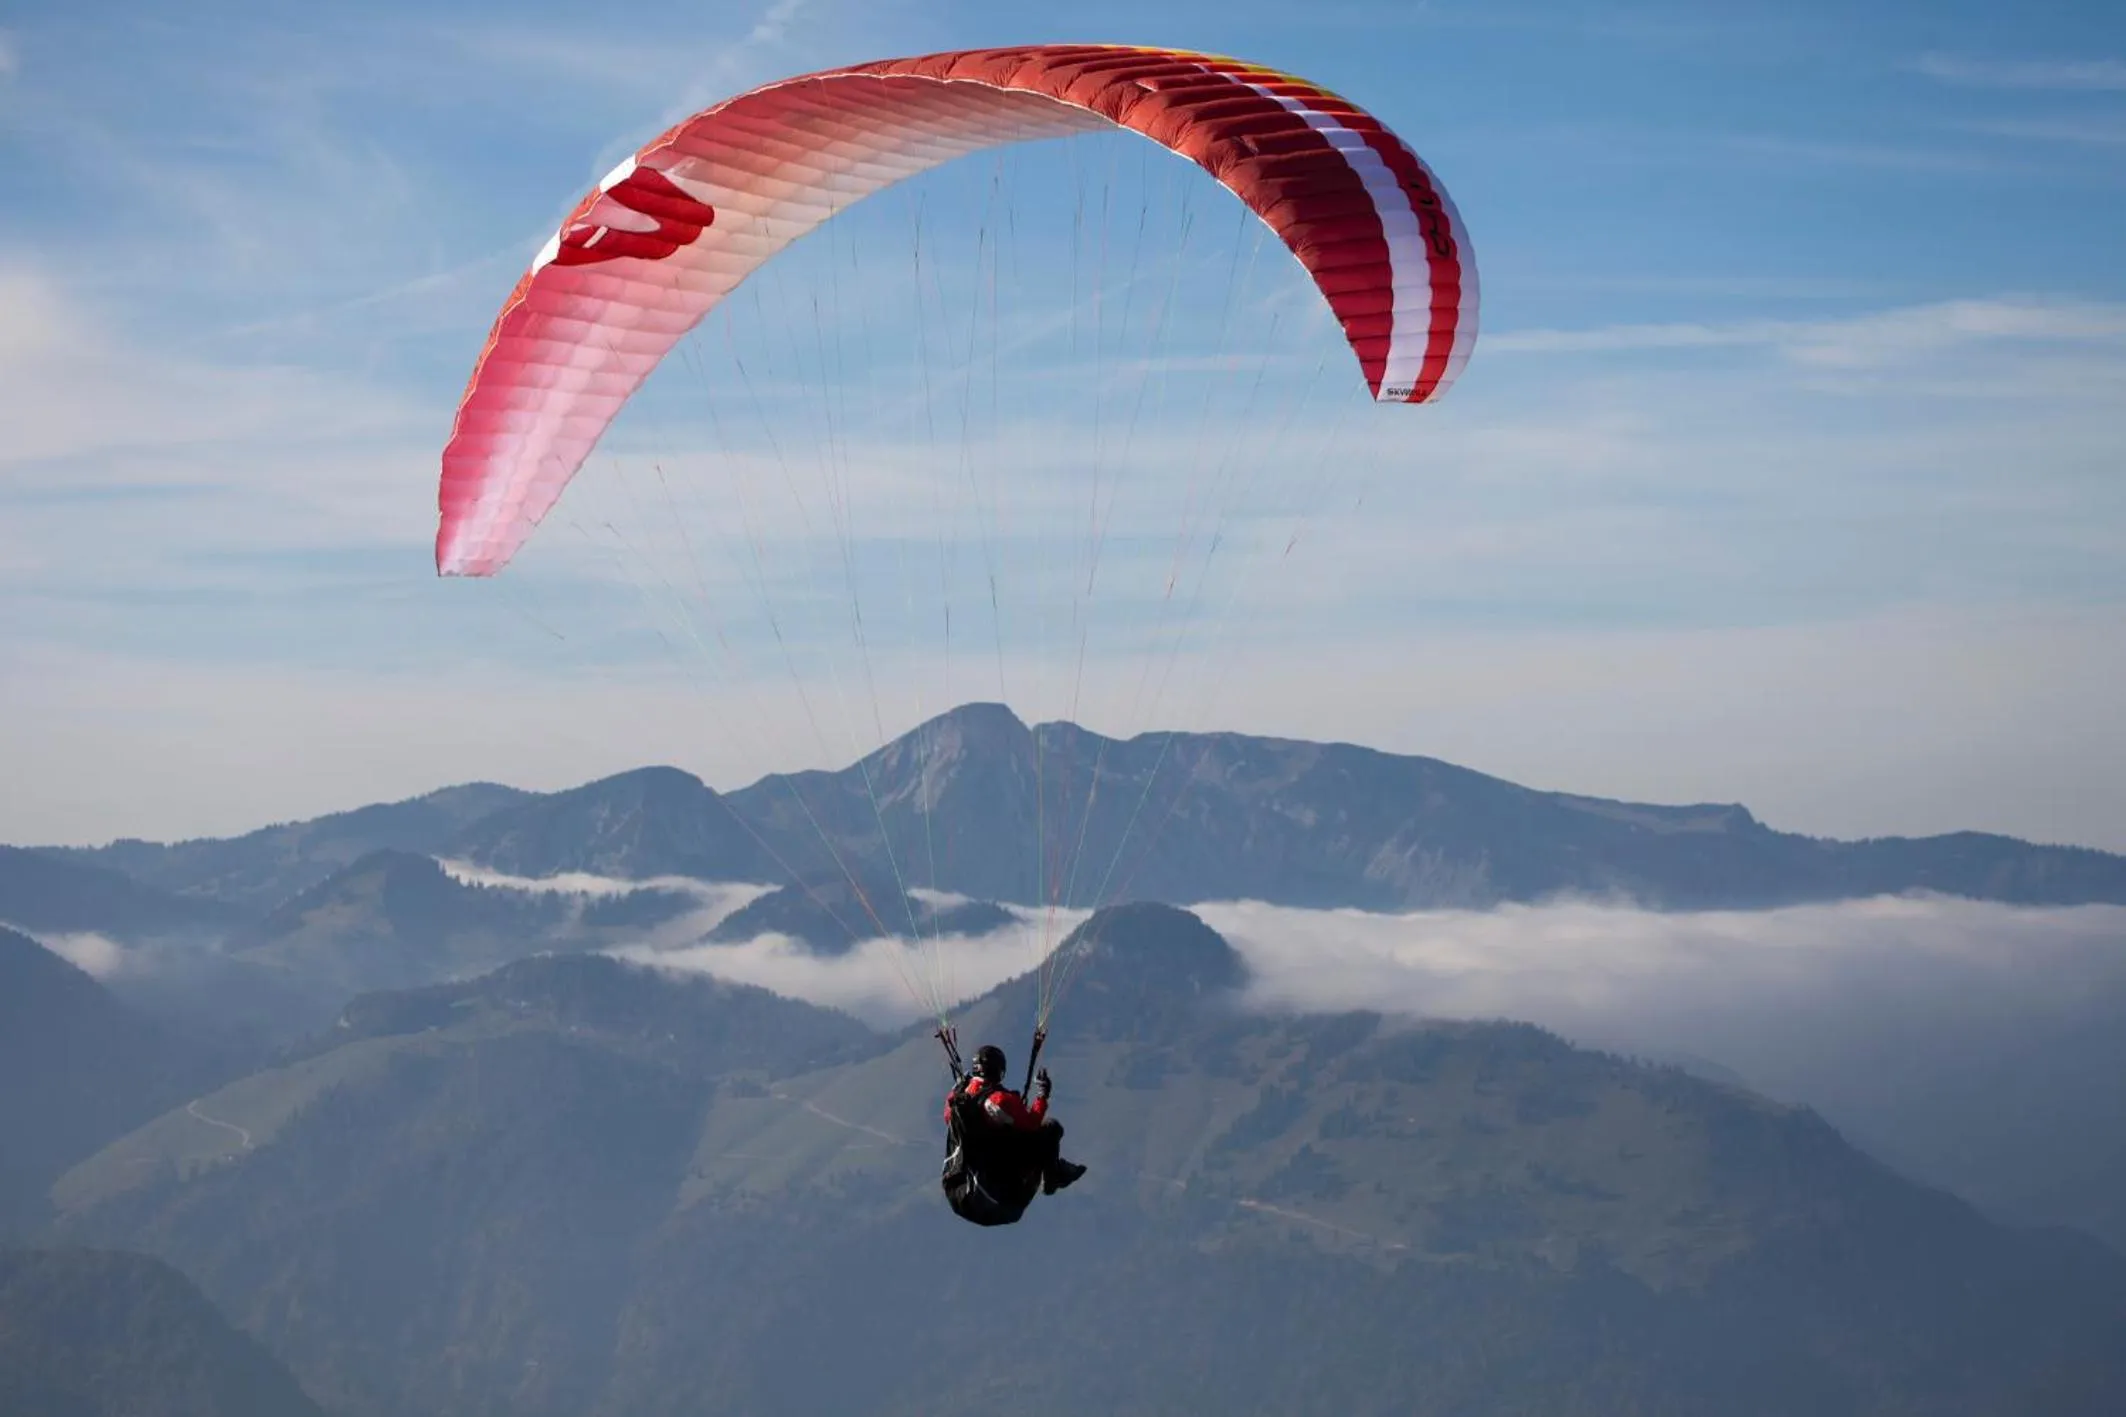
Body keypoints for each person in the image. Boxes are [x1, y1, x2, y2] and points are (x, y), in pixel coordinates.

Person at [940, 1043, 1086, 1226]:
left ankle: (1057, 1170)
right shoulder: (1001, 1100)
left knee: (1009, 1137)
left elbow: (949, 1117)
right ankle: (1053, 1177)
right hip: (999, 1200)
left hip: (960, 1195)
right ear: (998, 1071)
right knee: (1051, 1128)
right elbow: (1032, 1123)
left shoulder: (956, 1100)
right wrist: (1042, 1096)